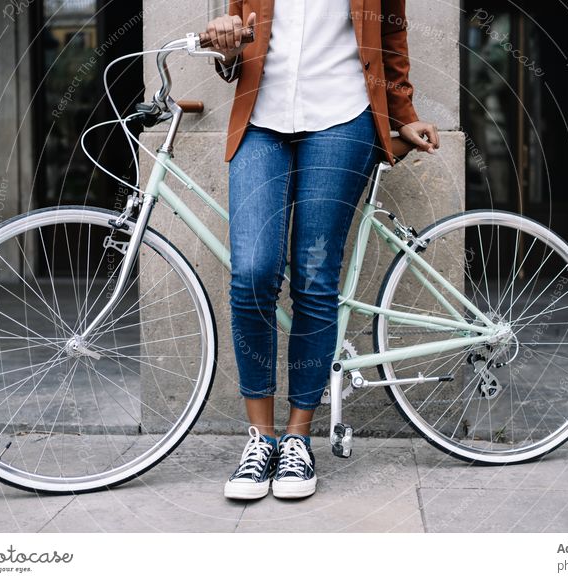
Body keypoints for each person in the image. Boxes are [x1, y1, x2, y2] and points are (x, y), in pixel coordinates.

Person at [207, 0, 438, 501]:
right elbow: (236, 46)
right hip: (260, 120)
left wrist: (403, 115)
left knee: (314, 276)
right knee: (251, 271)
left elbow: (391, 39)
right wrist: (225, 47)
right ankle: (259, 439)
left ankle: (297, 437)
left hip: (343, 119)